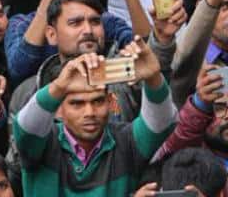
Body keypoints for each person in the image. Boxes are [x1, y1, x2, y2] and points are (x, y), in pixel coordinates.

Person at [13, 41, 176, 196]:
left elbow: (160, 124)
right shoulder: (42, 144)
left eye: (98, 101)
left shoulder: (126, 142)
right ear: (58, 110)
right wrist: (59, 86)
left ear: (110, 102)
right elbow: (25, 128)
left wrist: (154, 78)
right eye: (77, 104)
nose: (90, 112)